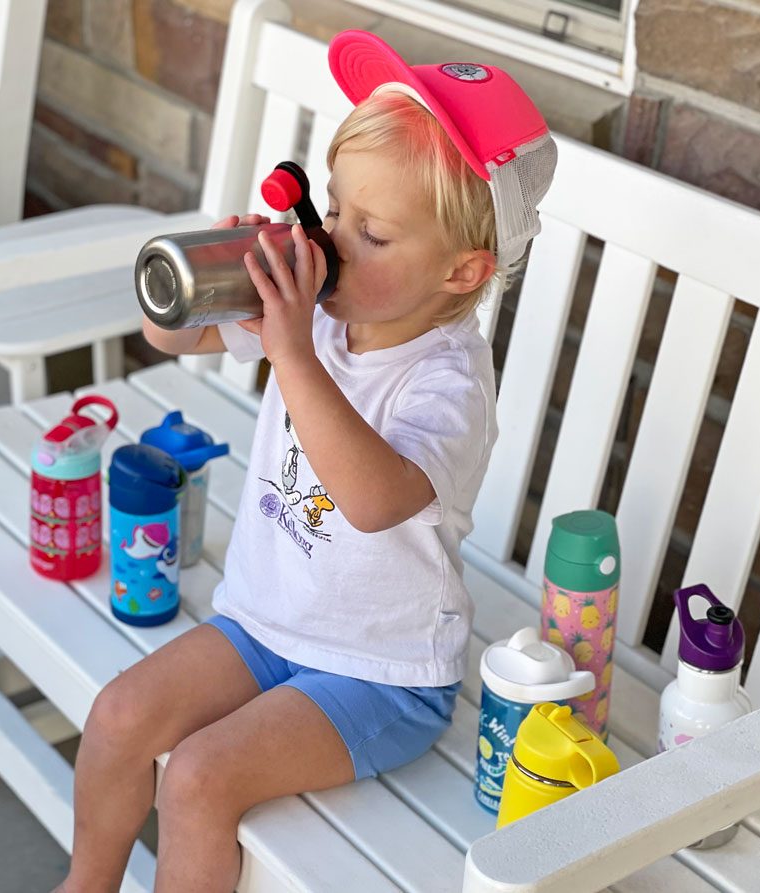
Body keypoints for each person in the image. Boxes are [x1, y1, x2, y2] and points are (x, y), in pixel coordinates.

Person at [54, 28, 556, 893]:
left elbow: (372, 498)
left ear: (461, 271)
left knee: (201, 776)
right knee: (119, 715)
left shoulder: (447, 379)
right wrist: (213, 267)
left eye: (373, 232)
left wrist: (292, 354)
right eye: (333, 206)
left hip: (382, 672)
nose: (333, 240)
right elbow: (169, 333)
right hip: (263, 624)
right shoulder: (320, 309)